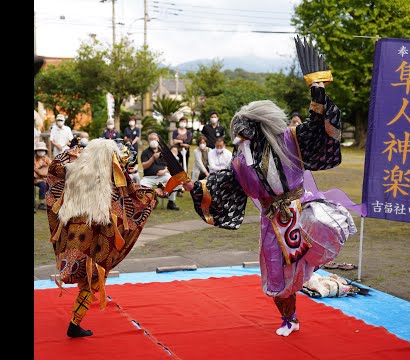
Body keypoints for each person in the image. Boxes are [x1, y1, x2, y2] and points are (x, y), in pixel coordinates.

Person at [183, 81, 357, 337]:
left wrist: (318, 95)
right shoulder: (240, 161)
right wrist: (194, 186)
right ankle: (290, 318)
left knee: (322, 223)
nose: (240, 140)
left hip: (301, 205)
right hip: (273, 222)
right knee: (278, 276)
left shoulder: (290, 139)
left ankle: (311, 267)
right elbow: (221, 182)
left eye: (243, 134)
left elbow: (318, 129)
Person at [45, 138, 158, 338]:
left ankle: (76, 319)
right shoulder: (110, 175)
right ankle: (74, 323)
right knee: (95, 275)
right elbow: (130, 193)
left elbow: (54, 168)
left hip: (74, 227)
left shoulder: (75, 168)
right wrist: (153, 193)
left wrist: (75, 148)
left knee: (85, 270)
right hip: (97, 230)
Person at [140, 132, 180, 210]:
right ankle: (154, 200)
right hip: (149, 177)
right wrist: (153, 158)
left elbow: (169, 165)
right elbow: (144, 166)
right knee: (142, 184)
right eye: (151, 139)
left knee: (173, 180)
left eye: (155, 139)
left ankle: (171, 202)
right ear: (148, 141)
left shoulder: (163, 151)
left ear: (158, 140)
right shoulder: (145, 152)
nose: (153, 141)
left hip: (163, 176)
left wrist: (164, 171)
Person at [34, 141, 52, 210]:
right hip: (35, 178)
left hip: (42, 179)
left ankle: (41, 203)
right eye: (39, 150)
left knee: (43, 185)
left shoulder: (47, 159)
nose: (41, 152)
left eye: (42, 150)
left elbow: (52, 167)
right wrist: (40, 168)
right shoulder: (34, 159)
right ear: (36, 151)